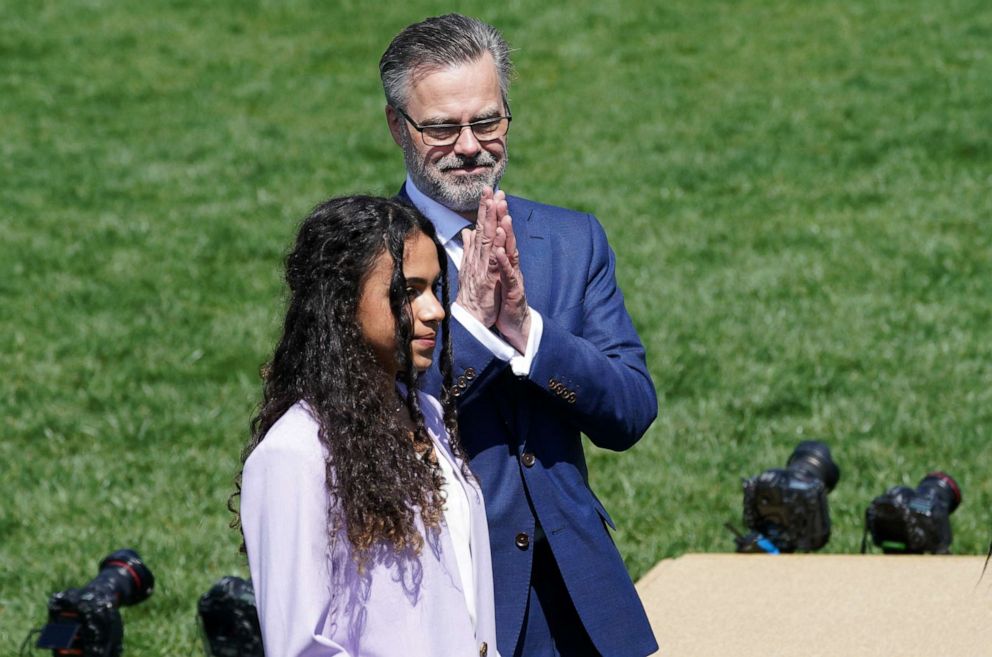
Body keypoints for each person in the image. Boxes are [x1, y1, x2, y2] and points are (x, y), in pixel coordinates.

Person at [379, 14, 659, 657]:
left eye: (488, 122)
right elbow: (371, 421)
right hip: (447, 597)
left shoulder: (571, 239)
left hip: (581, 600)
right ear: (398, 127)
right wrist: (476, 328)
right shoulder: (366, 255)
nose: (471, 146)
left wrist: (529, 334)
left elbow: (630, 411)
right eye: (443, 128)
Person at [237, 196, 500, 657]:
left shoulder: (430, 418)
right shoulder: (294, 455)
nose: (435, 310)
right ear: (341, 304)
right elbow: (302, 647)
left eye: (434, 289)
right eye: (406, 292)